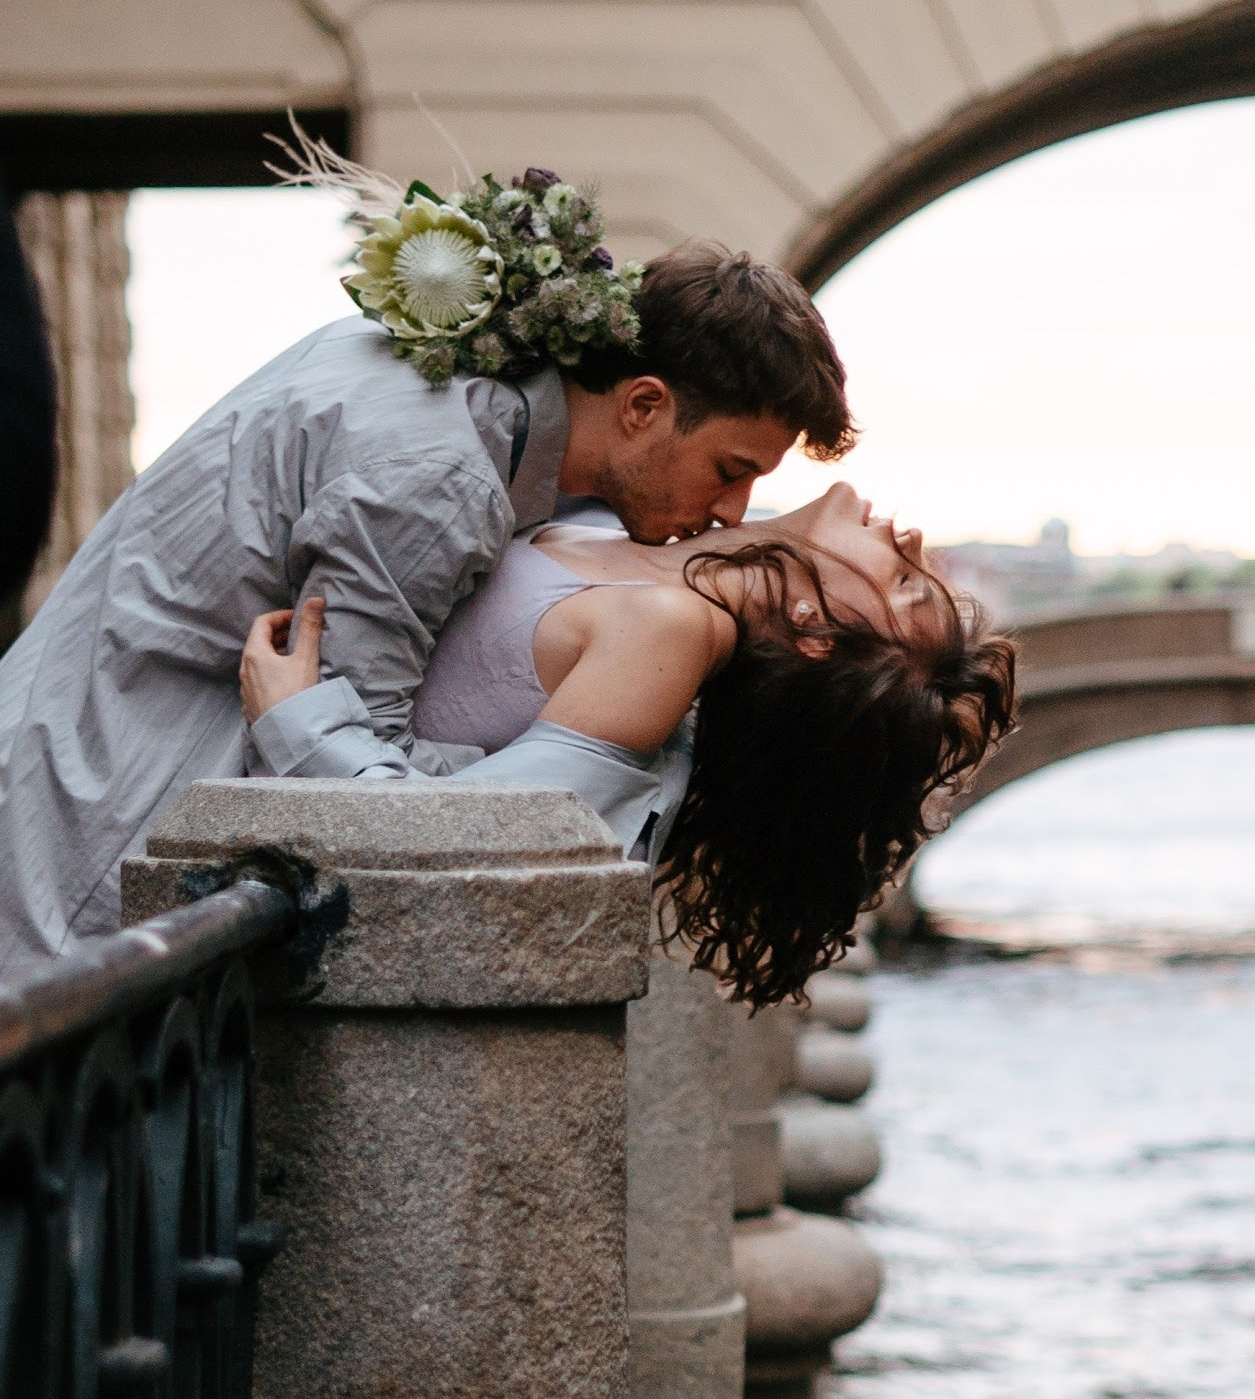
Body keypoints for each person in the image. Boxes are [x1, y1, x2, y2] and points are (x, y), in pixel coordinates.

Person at [0, 224, 854, 975]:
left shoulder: (437, 388)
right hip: (86, 859)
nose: (732, 512)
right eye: (731, 471)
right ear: (643, 404)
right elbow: (346, 793)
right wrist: (578, 772)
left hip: (60, 765)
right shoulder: (441, 480)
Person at [239, 477, 1019, 1001]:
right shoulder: (643, 546)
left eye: (906, 585)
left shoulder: (670, 631)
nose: (912, 540)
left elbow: (461, 847)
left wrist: (299, 724)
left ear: (816, 633)